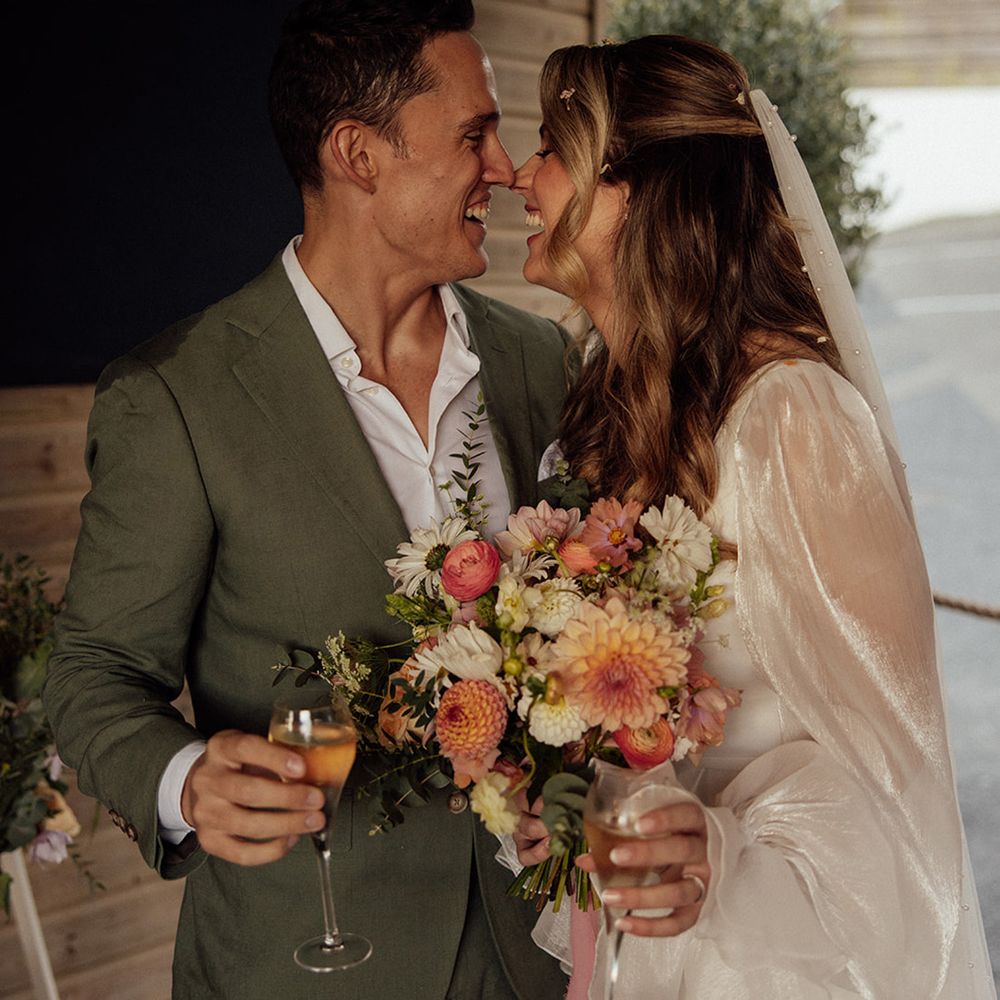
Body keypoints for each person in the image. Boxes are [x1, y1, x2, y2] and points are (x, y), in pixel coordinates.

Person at [44, 3, 573, 998]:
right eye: (472, 134)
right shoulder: (176, 396)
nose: (502, 167)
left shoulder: (539, 358)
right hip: (304, 963)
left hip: (535, 948)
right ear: (357, 155)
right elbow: (93, 668)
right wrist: (182, 782)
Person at [510, 34, 996, 999]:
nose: (524, 176)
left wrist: (723, 851)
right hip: (640, 939)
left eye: (553, 149)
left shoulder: (792, 419)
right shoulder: (603, 414)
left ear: (639, 190)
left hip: (776, 954)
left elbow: (896, 768)